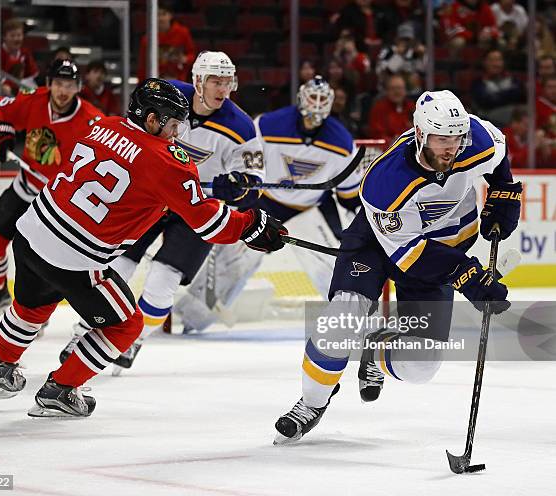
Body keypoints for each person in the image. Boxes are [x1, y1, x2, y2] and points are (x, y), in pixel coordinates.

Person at [0, 78, 287, 417]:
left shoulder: (101, 125)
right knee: (126, 325)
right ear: (151, 119)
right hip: (75, 257)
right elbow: (208, 223)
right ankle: (61, 388)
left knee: (31, 305)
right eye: (172, 125)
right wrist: (252, 224)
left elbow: (130, 176)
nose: (176, 133)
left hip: (31, 233)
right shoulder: (166, 161)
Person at [274, 89, 521, 444]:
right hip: (378, 245)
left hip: (442, 249)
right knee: (341, 320)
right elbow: (410, 256)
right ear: (420, 134)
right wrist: (468, 276)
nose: (450, 148)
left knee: (419, 367)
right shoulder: (385, 181)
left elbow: (499, 157)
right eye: (440, 139)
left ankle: (374, 348)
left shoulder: (476, 140)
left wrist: (503, 192)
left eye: (456, 138)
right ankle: (311, 404)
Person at [59, 51, 264, 368]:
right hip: (151, 197)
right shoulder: (164, 96)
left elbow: (254, 185)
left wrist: (239, 186)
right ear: (197, 80)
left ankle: (133, 339)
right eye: (214, 81)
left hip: (196, 207)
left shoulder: (242, 127)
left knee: (161, 280)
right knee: (118, 267)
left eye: (227, 82)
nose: (222, 90)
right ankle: (85, 330)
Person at [176, 76, 364, 333]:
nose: (317, 105)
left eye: (323, 99)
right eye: (313, 97)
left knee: (331, 261)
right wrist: (237, 182)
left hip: (309, 208)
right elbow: (243, 158)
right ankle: (193, 316)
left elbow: (349, 194)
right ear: (300, 98)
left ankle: (349, 323)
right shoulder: (268, 125)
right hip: (265, 202)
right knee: (234, 259)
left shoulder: (342, 143)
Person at [0, 60, 105, 323]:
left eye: (70, 85)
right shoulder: (33, 101)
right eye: (58, 84)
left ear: (78, 88)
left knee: (37, 262)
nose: (63, 91)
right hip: (26, 185)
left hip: (55, 205)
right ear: (48, 84)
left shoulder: (91, 121)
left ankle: (32, 313)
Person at [136, 0, 196, 82]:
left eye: (163, 14)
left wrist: (184, 59)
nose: (160, 18)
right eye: (157, 15)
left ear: (170, 15)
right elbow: (142, 66)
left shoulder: (182, 32)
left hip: (179, 81)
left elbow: (192, 55)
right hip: (156, 82)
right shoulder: (147, 39)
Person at [367, 73, 415, 144]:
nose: (397, 92)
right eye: (393, 88)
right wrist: (393, 141)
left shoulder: (411, 107)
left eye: (399, 88)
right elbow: (376, 134)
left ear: (405, 90)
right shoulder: (379, 109)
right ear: (387, 91)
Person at [0, 18, 40, 95]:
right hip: (1, 88)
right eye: (12, 36)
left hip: (20, 86)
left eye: (19, 35)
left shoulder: (25, 52)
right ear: (4, 37)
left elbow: (32, 75)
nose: (16, 39)